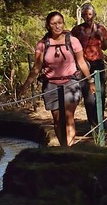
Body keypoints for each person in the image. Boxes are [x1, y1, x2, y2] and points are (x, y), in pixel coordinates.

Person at [21, 11, 89, 147]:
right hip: (51, 84)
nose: (57, 26)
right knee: (57, 120)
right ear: (48, 25)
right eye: (53, 23)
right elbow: (37, 67)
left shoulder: (72, 41)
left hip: (71, 82)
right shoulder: (42, 44)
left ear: (63, 23)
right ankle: (63, 146)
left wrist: (90, 81)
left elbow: (81, 62)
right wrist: (26, 84)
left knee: (69, 116)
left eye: (60, 23)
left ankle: (68, 149)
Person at [72, 2, 107, 131]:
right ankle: (93, 123)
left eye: (90, 14)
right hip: (83, 64)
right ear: (82, 16)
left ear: (94, 15)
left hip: (98, 62)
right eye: (85, 14)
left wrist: (101, 37)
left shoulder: (101, 28)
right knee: (87, 94)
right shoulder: (77, 30)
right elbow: (71, 47)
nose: (88, 17)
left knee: (101, 92)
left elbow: (105, 47)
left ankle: (100, 119)